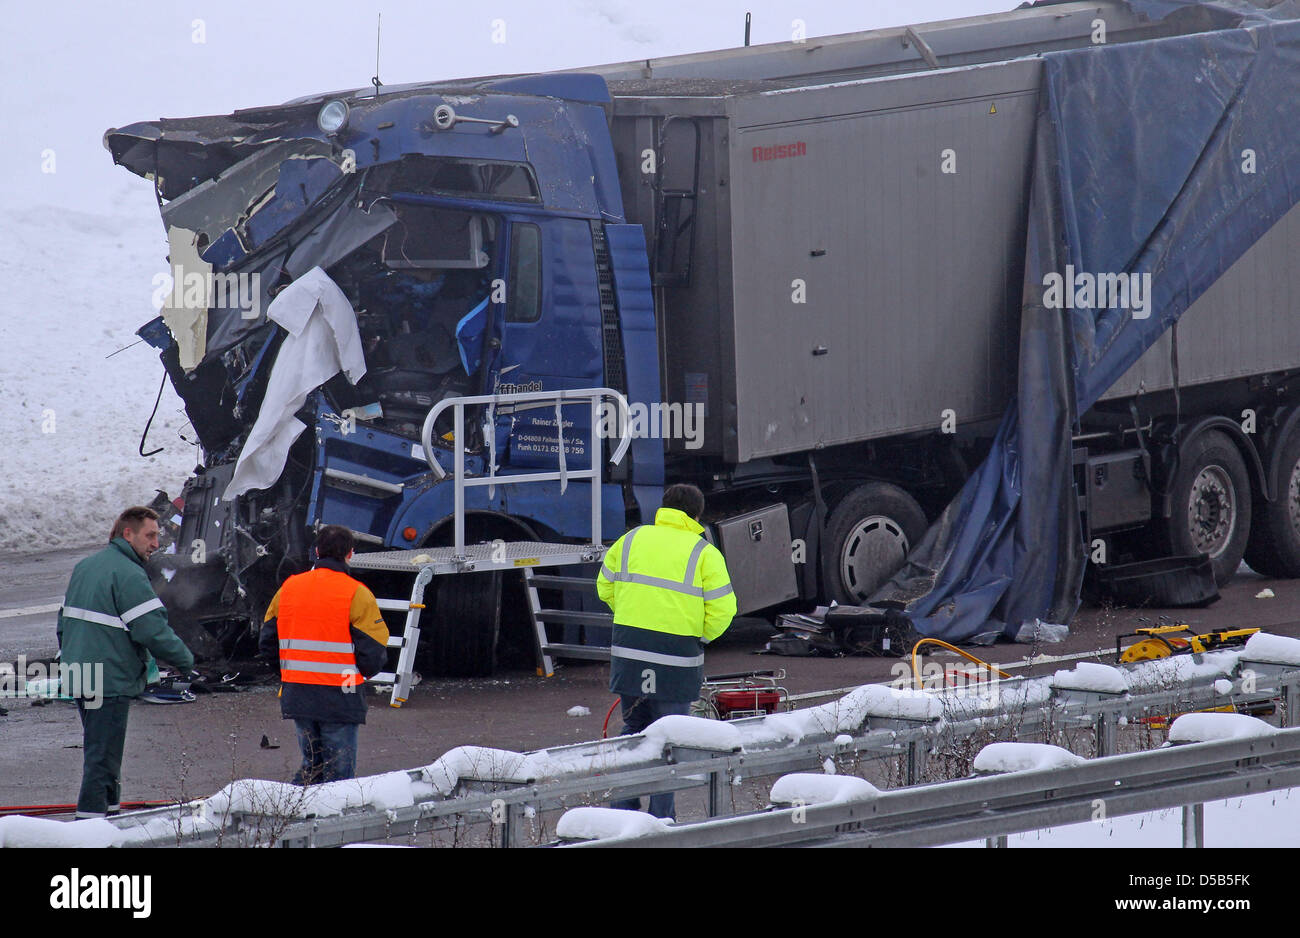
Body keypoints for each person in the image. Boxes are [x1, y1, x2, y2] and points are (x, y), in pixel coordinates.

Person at [597, 483, 737, 819]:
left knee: (632, 732)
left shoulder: (630, 539)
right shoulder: (703, 552)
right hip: (676, 658)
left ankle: (622, 814)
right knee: (671, 739)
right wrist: (699, 637)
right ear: (696, 515)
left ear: (664, 507)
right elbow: (723, 609)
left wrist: (634, 617)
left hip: (630, 653)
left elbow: (604, 586)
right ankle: (662, 822)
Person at [57, 506, 196, 819]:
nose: (155, 543)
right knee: (102, 756)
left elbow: (62, 623)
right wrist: (186, 661)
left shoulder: (85, 566)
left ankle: (111, 816)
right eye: (149, 535)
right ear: (127, 534)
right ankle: (90, 826)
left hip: (81, 673)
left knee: (101, 751)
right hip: (109, 677)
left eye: (157, 536)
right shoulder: (128, 573)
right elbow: (152, 629)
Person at [259, 525, 389, 785]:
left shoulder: (289, 588)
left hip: (298, 694)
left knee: (312, 766)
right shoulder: (357, 593)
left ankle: (293, 817)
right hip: (341, 696)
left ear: (316, 551)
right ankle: (330, 822)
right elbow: (373, 654)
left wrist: (289, 672)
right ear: (350, 554)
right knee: (339, 777)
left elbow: (267, 642)